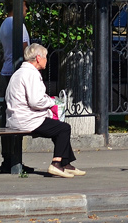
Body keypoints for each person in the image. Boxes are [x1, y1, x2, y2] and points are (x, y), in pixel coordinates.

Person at [5, 43, 84, 178]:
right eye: (45, 57)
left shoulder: (19, 72)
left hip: (17, 118)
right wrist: (52, 101)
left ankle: (66, 163)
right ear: (38, 58)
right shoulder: (32, 74)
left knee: (57, 128)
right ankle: (56, 164)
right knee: (63, 128)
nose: (47, 60)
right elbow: (35, 101)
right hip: (27, 120)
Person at [0, 0, 30, 174]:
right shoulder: (18, 25)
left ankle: (7, 157)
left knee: (7, 118)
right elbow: (25, 50)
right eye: (25, 5)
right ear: (17, 7)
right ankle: (15, 159)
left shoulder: (4, 24)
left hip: (6, 71)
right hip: (15, 73)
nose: (26, 9)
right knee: (17, 117)